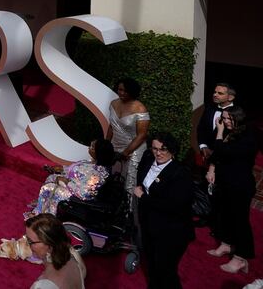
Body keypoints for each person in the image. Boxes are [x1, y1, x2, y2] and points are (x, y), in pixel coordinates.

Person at [134, 132, 194, 289]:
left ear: (172, 151)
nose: (158, 153)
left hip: (172, 231)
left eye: (163, 149)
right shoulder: (148, 158)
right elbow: (141, 177)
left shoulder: (180, 174)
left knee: (166, 271)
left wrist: (143, 197)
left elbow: (173, 206)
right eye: (155, 148)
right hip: (149, 224)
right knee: (152, 264)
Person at [205, 105, 257, 274]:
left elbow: (223, 151)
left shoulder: (249, 135)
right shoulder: (229, 131)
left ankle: (241, 258)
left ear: (238, 118)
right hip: (225, 182)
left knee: (240, 221)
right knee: (224, 215)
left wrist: (220, 132)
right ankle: (226, 245)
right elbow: (216, 154)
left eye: (229, 119)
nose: (225, 122)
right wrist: (211, 169)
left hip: (240, 185)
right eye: (224, 118)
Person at [25, 139, 114, 218]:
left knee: (47, 188)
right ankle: (43, 204)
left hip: (75, 194)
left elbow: (85, 194)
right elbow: (79, 172)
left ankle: (42, 216)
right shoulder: (93, 161)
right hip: (74, 183)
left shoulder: (97, 175)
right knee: (51, 177)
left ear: (99, 153)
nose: (89, 148)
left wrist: (66, 182)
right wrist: (62, 169)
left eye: (92, 147)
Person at [106, 77, 150, 191]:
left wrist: (125, 153)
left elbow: (142, 135)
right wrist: (107, 145)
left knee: (130, 183)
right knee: (114, 180)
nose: (122, 93)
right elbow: (111, 126)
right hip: (115, 148)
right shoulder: (113, 104)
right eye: (120, 90)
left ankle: (131, 209)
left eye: (126, 91)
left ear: (132, 91)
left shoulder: (140, 109)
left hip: (134, 150)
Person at [24, 213, 86, 289]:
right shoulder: (72, 255)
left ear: (49, 245)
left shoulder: (43, 286)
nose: (27, 244)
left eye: (31, 241)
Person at [197, 83, 236, 163]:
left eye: (220, 93)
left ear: (230, 97)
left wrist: (216, 152)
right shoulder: (209, 108)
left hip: (226, 160)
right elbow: (201, 128)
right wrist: (203, 146)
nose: (215, 95)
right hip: (205, 156)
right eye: (215, 92)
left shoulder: (238, 113)